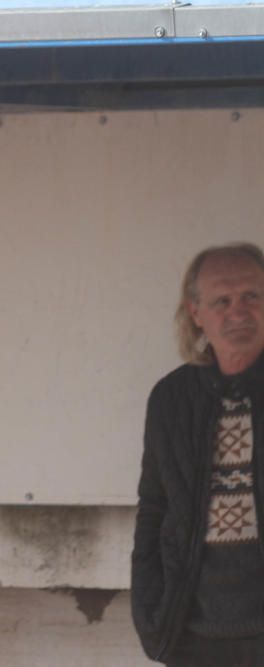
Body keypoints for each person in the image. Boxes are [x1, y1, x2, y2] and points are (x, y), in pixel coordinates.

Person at [132, 242, 264, 666]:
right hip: (191, 636)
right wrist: (149, 609)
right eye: (222, 301)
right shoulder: (172, 399)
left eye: (252, 296)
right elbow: (154, 508)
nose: (239, 312)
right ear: (196, 313)